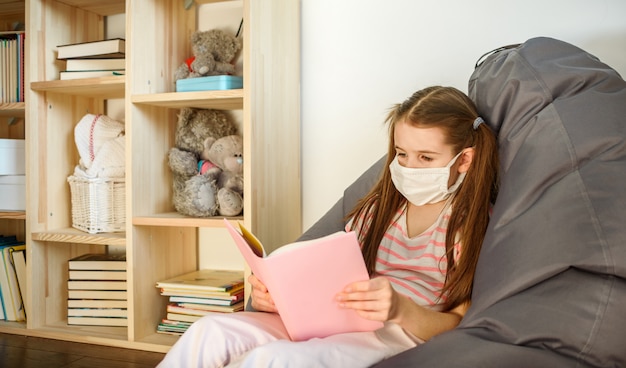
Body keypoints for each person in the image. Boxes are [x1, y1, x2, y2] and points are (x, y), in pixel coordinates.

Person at [157, 85, 499, 368]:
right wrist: (278, 293)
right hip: (337, 317)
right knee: (210, 330)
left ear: (464, 159)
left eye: (426, 158)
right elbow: (335, 272)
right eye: (401, 154)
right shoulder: (379, 209)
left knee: (272, 360)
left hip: (399, 332)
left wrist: (400, 309)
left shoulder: (471, 225)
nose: (409, 167)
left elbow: (460, 322)